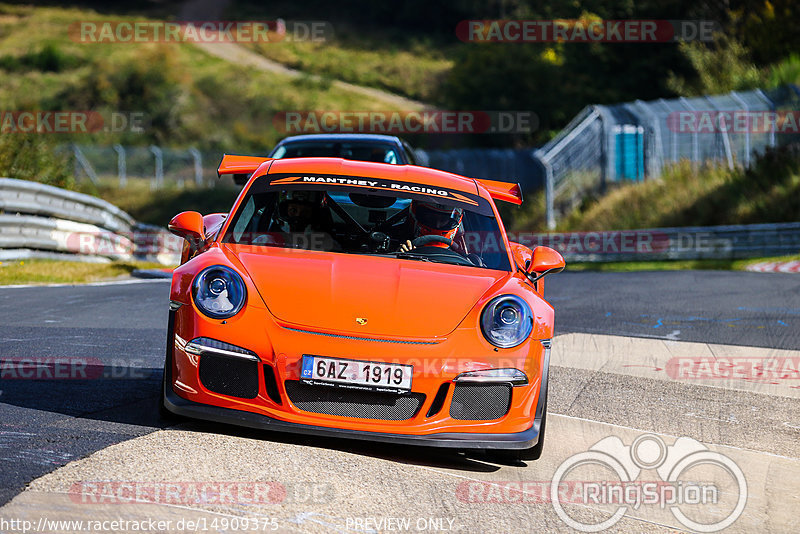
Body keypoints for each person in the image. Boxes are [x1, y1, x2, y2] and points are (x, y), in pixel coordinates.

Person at [397, 199, 464, 253]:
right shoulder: (395, 237)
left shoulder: (463, 248)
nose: (438, 225)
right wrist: (399, 254)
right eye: (431, 218)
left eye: (443, 219)